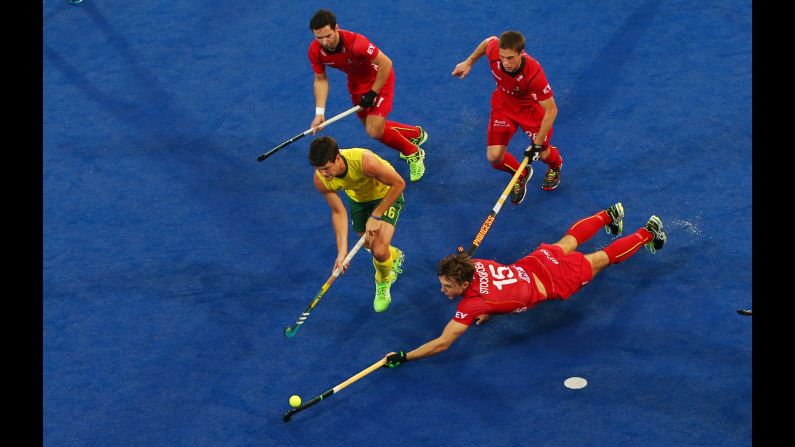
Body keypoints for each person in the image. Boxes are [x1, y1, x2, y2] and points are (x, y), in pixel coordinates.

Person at [380, 203, 667, 367]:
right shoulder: (473, 264)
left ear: (464, 283)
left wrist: (406, 356)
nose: (443, 291)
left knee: (602, 258)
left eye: (447, 286)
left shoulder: (471, 304)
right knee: (568, 241)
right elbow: (493, 291)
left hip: (552, 280)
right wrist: (490, 309)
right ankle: (609, 214)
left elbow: (442, 343)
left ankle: (648, 232)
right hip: (533, 265)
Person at [308, 9, 428, 183]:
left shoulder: (357, 43)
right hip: (357, 84)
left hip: (380, 78)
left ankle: (413, 152)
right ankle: (415, 133)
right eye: (319, 38)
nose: (324, 42)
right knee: (373, 127)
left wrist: (373, 92)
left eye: (328, 36)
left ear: (336, 28)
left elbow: (386, 63)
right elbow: (320, 80)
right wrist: (319, 113)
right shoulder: (315, 51)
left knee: (374, 130)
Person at [452, 31, 564, 204]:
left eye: (510, 58)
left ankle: (555, 165)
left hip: (530, 109)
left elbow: (551, 110)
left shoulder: (534, 73)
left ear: (521, 53)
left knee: (543, 154)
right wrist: (469, 62)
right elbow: (489, 40)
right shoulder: (494, 52)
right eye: (503, 57)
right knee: (494, 157)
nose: (505, 63)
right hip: (504, 106)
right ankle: (521, 174)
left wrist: (537, 144)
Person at [310, 136, 407, 312]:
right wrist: (342, 252)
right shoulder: (320, 179)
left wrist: (376, 216)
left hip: (386, 193)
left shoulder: (365, 161)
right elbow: (338, 212)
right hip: (359, 201)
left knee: (378, 250)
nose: (323, 174)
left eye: (326, 168)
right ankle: (394, 255)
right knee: (369, 245)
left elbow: (399, 183)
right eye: (319, 169)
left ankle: (383, 281)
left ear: (337, 158)